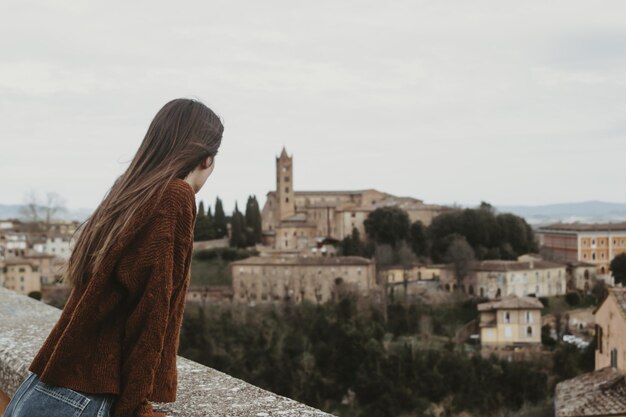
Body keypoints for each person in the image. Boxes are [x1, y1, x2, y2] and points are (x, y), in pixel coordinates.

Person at [2, 98, 224, 417]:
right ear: (206, 159)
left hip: (42, 391)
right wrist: (134, 408)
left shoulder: (131, 191)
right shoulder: (175, 197)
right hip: (84, 400)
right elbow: (152, 310)